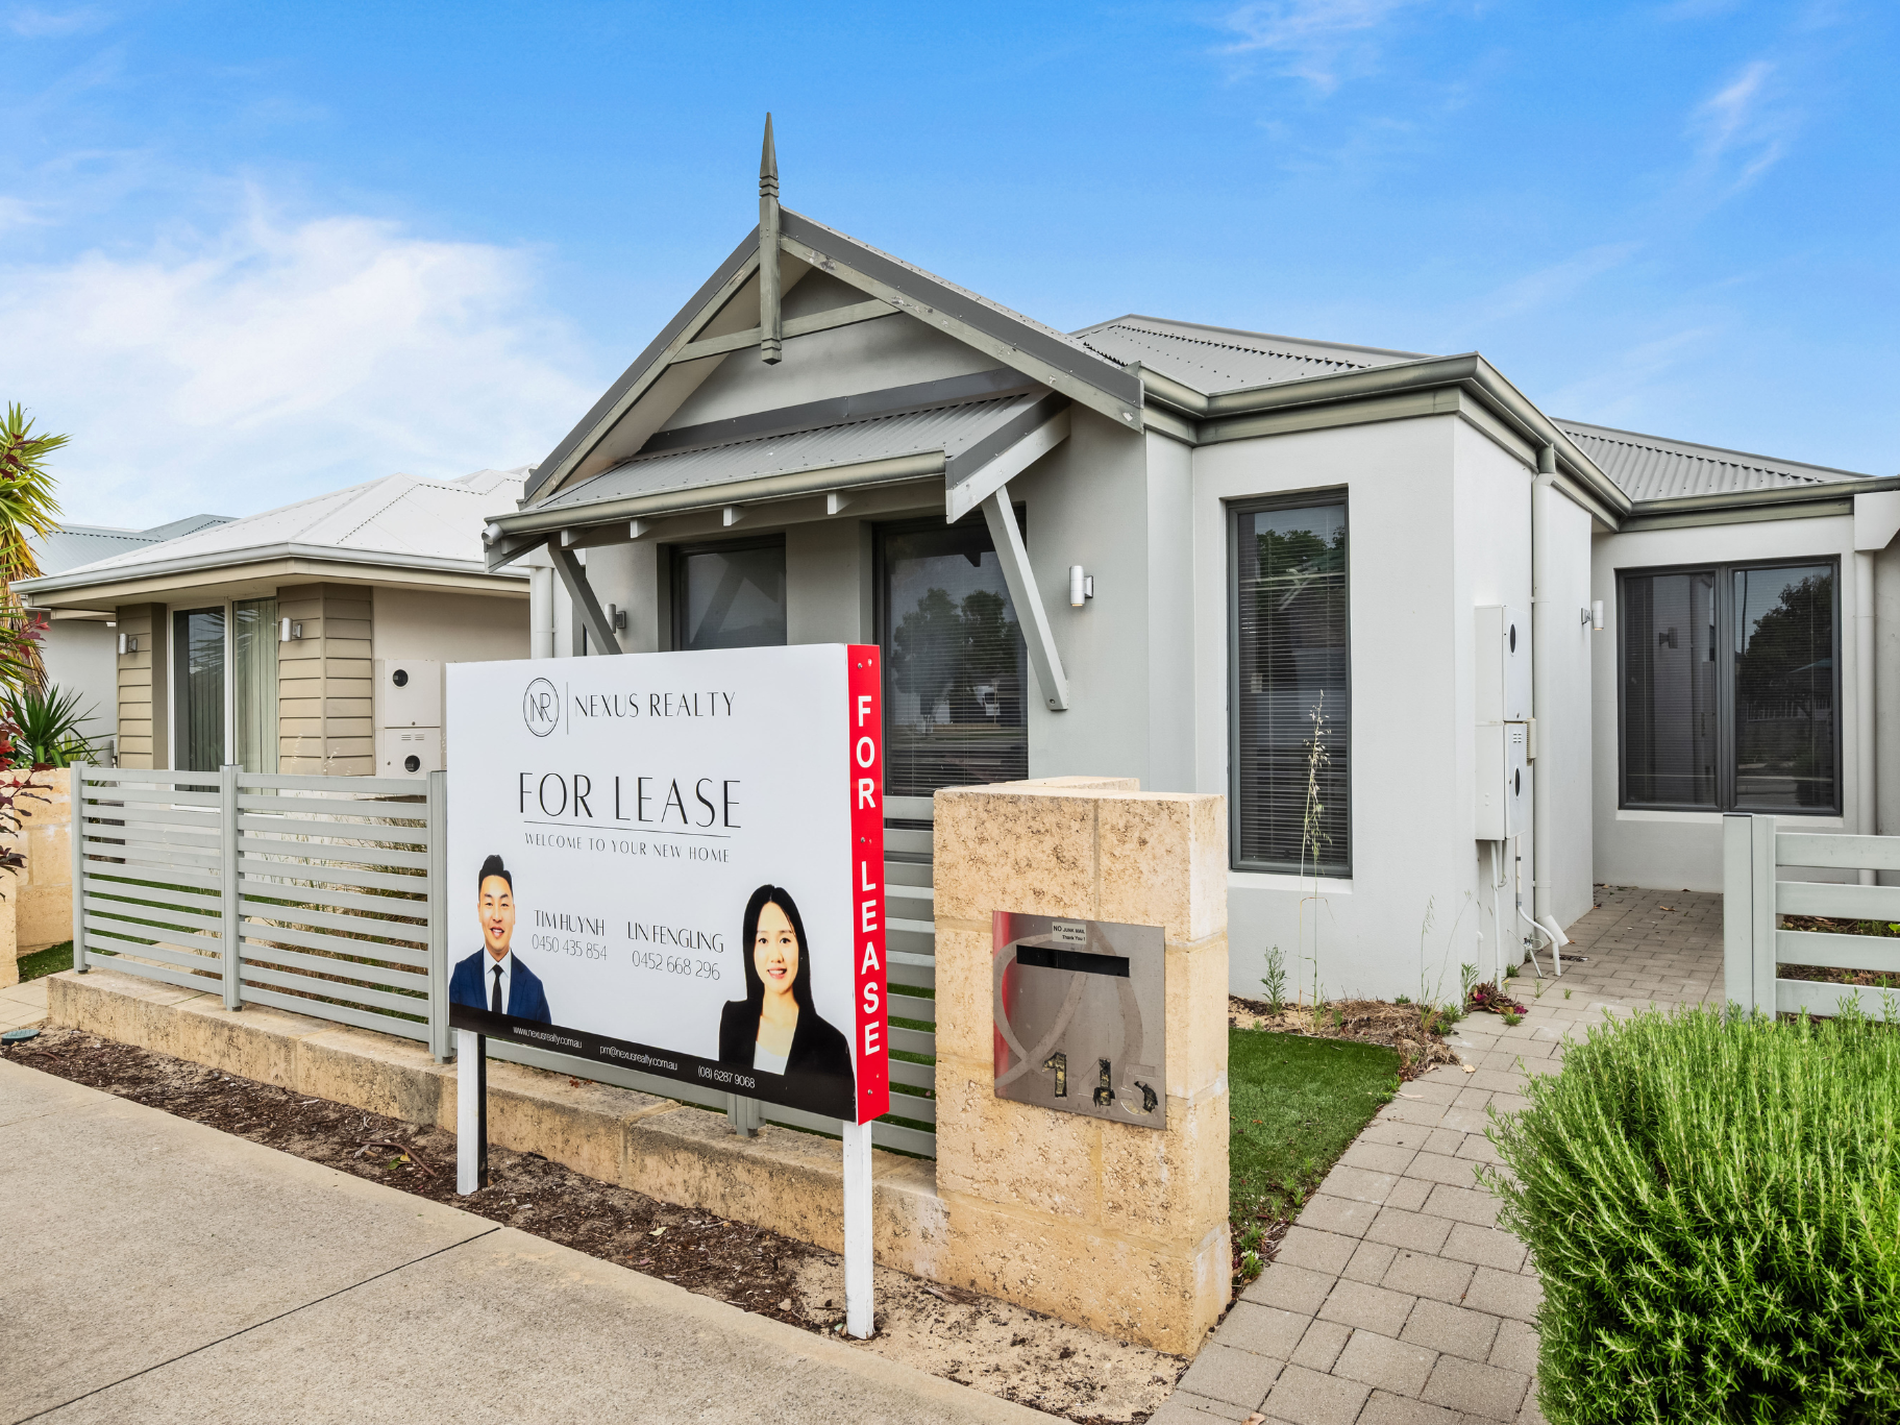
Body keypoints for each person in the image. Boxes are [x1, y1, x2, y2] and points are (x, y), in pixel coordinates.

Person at [718, 884, 851, 1086]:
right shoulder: (733, 1018)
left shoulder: (831, 1043)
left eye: (785, 940)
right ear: (750, 950)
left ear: (800, 949)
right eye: (763, 940)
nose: (776, 956)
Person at [449, 855, 552, 1023]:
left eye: (504, 905)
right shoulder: (462, 975)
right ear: (479, 911)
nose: (497, 916)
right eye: (489, 904)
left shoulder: (533, 988)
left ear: (514, 913)